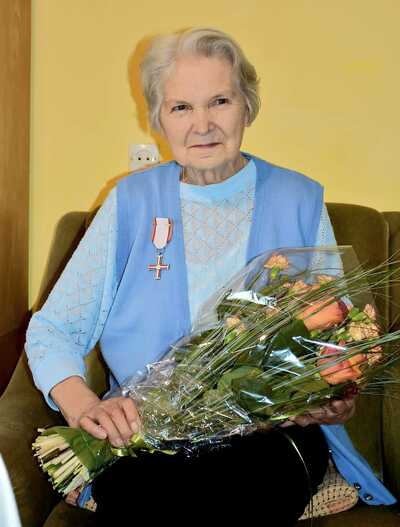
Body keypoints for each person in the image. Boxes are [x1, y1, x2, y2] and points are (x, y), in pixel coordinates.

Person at [25, 27, 395, 525]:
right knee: (148, 493)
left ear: (248, 107)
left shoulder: (298, 199)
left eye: (220, 101)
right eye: (181, 107)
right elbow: (53, 330)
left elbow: (336, 341)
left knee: (241, 487)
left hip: (267, 439)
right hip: (149, 436)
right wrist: (83, 405)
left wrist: (335, 396)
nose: (202, 124)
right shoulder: (131, 202)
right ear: (158, 118)